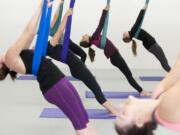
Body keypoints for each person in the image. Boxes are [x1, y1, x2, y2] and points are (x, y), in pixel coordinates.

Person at [0, 1, 96, 134]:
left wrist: (45, 10)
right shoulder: (10, 57)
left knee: (84, 119)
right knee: (80, 125)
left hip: (58, 81)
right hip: (54, 87)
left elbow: (32, 33)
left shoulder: (14, 57)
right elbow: (27, 33)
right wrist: (40, 7)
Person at [42, 0, 118, 115]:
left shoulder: (49, 48)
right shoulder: (50, 46)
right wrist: (66, 16)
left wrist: (61, 7)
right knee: (95, 88)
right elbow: (59, 31)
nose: (35, 46)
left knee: (95, 86)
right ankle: (113, 111)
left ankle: (111, 108)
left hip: (77, 67)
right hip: (77, 68)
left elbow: (56, 27)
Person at [79, 5, 150, 96]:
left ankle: (141, 90)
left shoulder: (94, 39)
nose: (83, 36)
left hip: (115, 57)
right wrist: (105, 11)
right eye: (82, 38)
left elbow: (101, 26)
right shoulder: (93, 38)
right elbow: (100, 25)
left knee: (129, 75)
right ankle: (141, 91)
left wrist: (105, 12)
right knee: (129, 75)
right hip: (115, 57)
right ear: (86, 41)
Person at [114, 55, 180, 135]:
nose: (120, 106)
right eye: (123, 113)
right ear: (139, 121)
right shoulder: (166, 110)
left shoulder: (157, 97)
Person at [122, 3, 171, 72]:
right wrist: (143, 8)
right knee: (164, 61)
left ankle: (172, 74)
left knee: (163, 61)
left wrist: (144, 9)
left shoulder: (132, 32)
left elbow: (139, 21)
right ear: (127, 37)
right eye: (124, 35)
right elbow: (138, 20)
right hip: (152, 45)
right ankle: (173, 75)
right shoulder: (133, 31)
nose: (123, 33)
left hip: (150, 46)